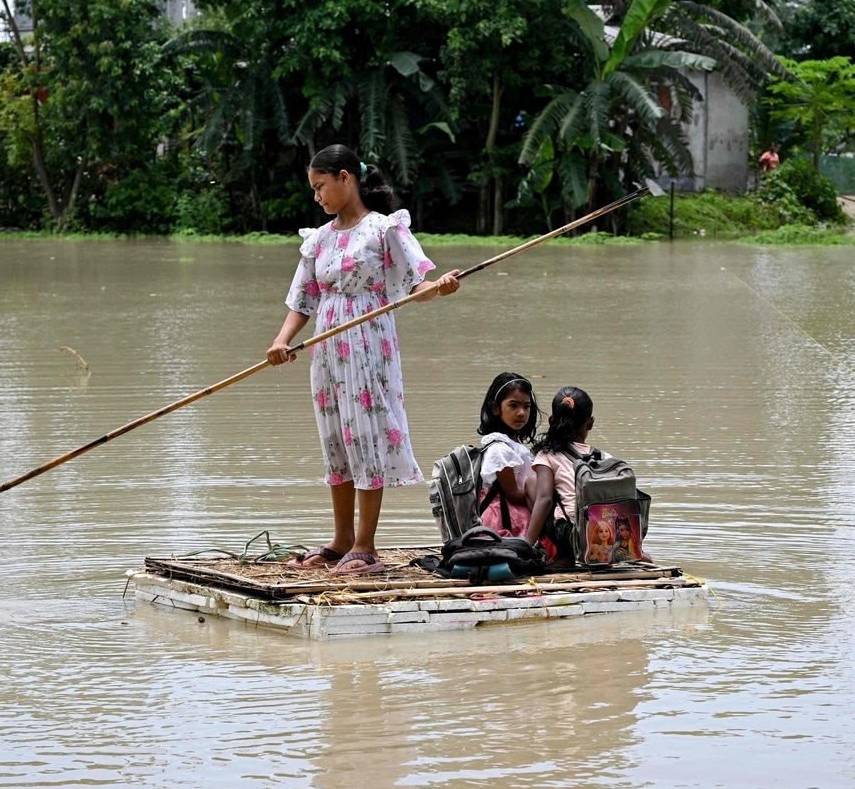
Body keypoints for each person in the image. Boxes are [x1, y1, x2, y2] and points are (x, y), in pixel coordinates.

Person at [268, 144, 460, 575]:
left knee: (367, 434)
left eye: (321, 186)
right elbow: (303, 299)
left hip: (369, 344)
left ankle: (365, 545)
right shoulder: (319, 238)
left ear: (344, 177)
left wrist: (440, 286)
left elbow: (415, 286)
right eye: (313, 189)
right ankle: (339, 541)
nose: (317, 196)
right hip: (328, 347)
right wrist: (281, 342)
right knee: (335, 437)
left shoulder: (383, 229)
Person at [527, 386, 651, 564]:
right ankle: (632, 551)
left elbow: (545, 499)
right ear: (590, 423)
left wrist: (526, 544)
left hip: (572, 538)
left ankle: (564, 555)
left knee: (532, 482)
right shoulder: (605, 458)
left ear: (551, 420)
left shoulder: (547, 455)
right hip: (610, 536)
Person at [474, 372, 541, 540]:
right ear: (495, 408)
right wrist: (546, 497)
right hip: (505, 519)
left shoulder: (512, 444)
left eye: (526, 406)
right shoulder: (499, 450)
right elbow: (512, 493)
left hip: (516, 510)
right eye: (513, 406)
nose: (521, 413)